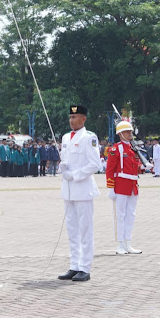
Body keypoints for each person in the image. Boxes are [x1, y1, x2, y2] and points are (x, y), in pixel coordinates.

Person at [57, 105, 102, 282]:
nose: (71, 121)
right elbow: (67, 159)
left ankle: (85, 267)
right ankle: (74, 265)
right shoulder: (66, 137)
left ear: (83, 119)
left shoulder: (89, 137)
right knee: (72, 230)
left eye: (75, 117)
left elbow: (94, 164)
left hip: (82, 189)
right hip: (68, 191)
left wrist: (74, 175)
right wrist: (63, 167)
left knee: (85, 230)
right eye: (70, 117)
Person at [106, 121, 142, 255]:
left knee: (131, 215)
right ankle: (120, 244)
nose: (130, 134)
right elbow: (109, 169)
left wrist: (143, 167)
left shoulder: (133, 148)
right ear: (120, 134)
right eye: (127, 132)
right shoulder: (116, 149)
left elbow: (134, 166)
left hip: (133, 185)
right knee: (120, 215)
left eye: (131, 131)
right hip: (121, 185)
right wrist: (111, 187)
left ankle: (128, 243)